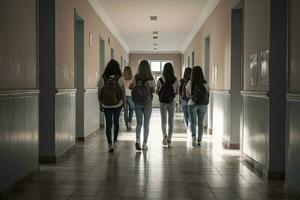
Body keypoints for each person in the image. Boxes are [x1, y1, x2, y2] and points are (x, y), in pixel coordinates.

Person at [98, 59, 126, 152]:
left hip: (106, 105)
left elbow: (99, 92)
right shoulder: (119, 78)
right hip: (117, 104)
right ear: (117, 68)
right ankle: (115, 140)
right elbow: (123, 92)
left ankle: (110, 144)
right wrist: (124, 104)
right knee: (116, 122)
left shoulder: (103, 78)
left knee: (108, 124)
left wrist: (100, 104)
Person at [130, 60, 156, 150]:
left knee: (139, 123)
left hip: (137, 102)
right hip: (147, 103)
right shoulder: (151, 78)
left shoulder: (136, 77)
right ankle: (144, 144)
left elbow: (130, 87)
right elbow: (153, 91)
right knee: (146, 124)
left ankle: (137, 140)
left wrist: (137, 86)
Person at [156, 63, 179, 148]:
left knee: (163, 121)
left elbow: (157, 91)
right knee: (171, 121)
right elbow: (177, 92)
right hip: (171, 101)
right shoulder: (175, 80)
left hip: (162, 102)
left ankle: (164, 135)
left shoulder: (160, 80)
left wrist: (161, 94)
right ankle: (169, 140)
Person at [186, 66, 209, 147]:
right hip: (203, 105)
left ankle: (193, 137)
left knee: (193, 122)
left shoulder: (190, 83)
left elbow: (187, 95)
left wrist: (192, 96)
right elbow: (207, 93)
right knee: (201, 123)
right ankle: (199, 140)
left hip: (192, 104)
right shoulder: (205, 83)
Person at [179, 67, 192, 132]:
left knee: (185, 114)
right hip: (190, 99)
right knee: (190, 114)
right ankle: (190, 127)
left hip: (183, 99)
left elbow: (180, 91)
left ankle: (187, 128)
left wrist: (180, 99)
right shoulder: (192, 81)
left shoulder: (182, 81)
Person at [123, 66, 134, 131]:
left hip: (124, 96)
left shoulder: (122, 79)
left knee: (126, 111)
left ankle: (127, 123)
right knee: (131, 109)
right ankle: (129, 122)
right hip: (130, 96)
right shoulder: (132, 79)